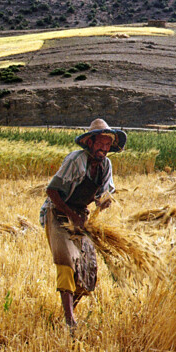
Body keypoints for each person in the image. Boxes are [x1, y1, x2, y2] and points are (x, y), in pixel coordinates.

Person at [39, 118, 126, 329]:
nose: (104, 148)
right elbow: (52, 191)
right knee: (67, 261)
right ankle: (70, 321)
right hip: (58, 212)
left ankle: (68, 313)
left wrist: (102, 202)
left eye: (108, 144)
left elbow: (105, 191)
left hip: (80, 217)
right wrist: (70, 214)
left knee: (87, 267)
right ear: (90, 142)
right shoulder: (75, 160)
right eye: (100, 143)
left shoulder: (106, 165)